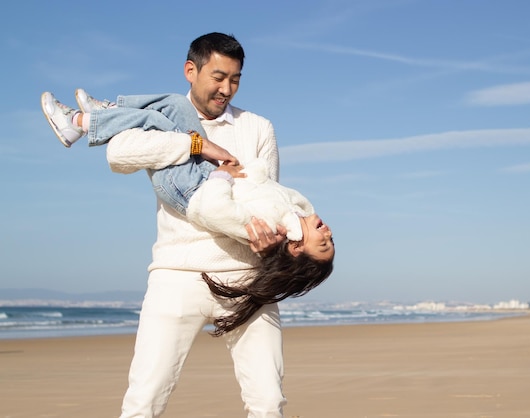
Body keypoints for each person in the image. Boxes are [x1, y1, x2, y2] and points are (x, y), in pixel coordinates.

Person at [46, 32, 298, 418]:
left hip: (246, 277)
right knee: (143, 402)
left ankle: (89, 115)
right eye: (217, 77)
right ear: (190, 71)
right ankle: (92, 116)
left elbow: (263, 195)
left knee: (267, 402)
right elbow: (119, 154)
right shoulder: (162, 119)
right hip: (176, 274)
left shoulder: (258, 127)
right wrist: (198, 145)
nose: (226, 89)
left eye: (235, 79)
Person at [41, 90, 335, 336]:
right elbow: (265, 182)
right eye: (220, 77)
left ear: (296, 246)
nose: (329, 233)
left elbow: (213, 209)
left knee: (154, 120)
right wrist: (209, 150)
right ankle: (109, 113)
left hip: (190, 190)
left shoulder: (263, 229)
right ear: (191, 71)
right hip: (204, 175)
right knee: (176, 105)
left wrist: (222, 173)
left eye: (323, 243)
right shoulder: (291, 213)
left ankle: (79, 122)